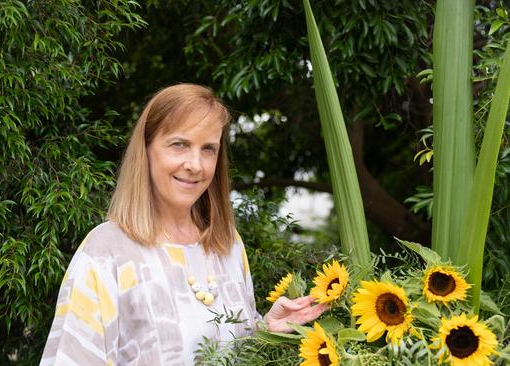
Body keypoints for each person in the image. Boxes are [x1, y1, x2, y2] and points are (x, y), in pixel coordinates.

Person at [40, 84, 328, 365]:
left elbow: (233, 352)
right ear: (146, 150)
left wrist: (265, 330)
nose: (195, 164)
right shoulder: (106, 252)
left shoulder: (226, 244)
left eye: (208, 149)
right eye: (179, 145)